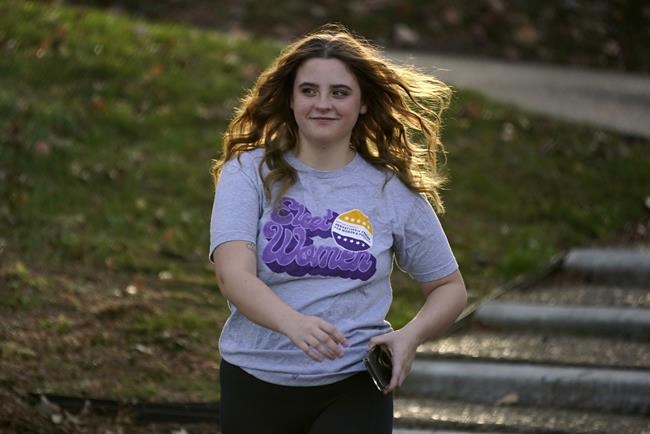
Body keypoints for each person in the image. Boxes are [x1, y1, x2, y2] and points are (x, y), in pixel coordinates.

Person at [209, 24, 467, 434]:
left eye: (340, 93)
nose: (323, 104)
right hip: (255, 379)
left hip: (354, 384)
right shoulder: (247, 172)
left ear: (362, 103)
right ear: (291, 99)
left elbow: (449, 287)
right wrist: (292, 323)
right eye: (309, 91)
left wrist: (410, 336)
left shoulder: (391, 189)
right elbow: (233, 275)